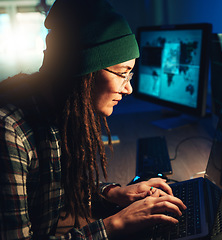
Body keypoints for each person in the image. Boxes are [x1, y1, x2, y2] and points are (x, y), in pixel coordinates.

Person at [0, 0, 186, 239]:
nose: (128, 88)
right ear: (84, 71)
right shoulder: (9, 132)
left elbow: (59, 195)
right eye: (121, 73)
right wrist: (115, 224)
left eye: (131, 74)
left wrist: (112, 194)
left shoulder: (61, 113)